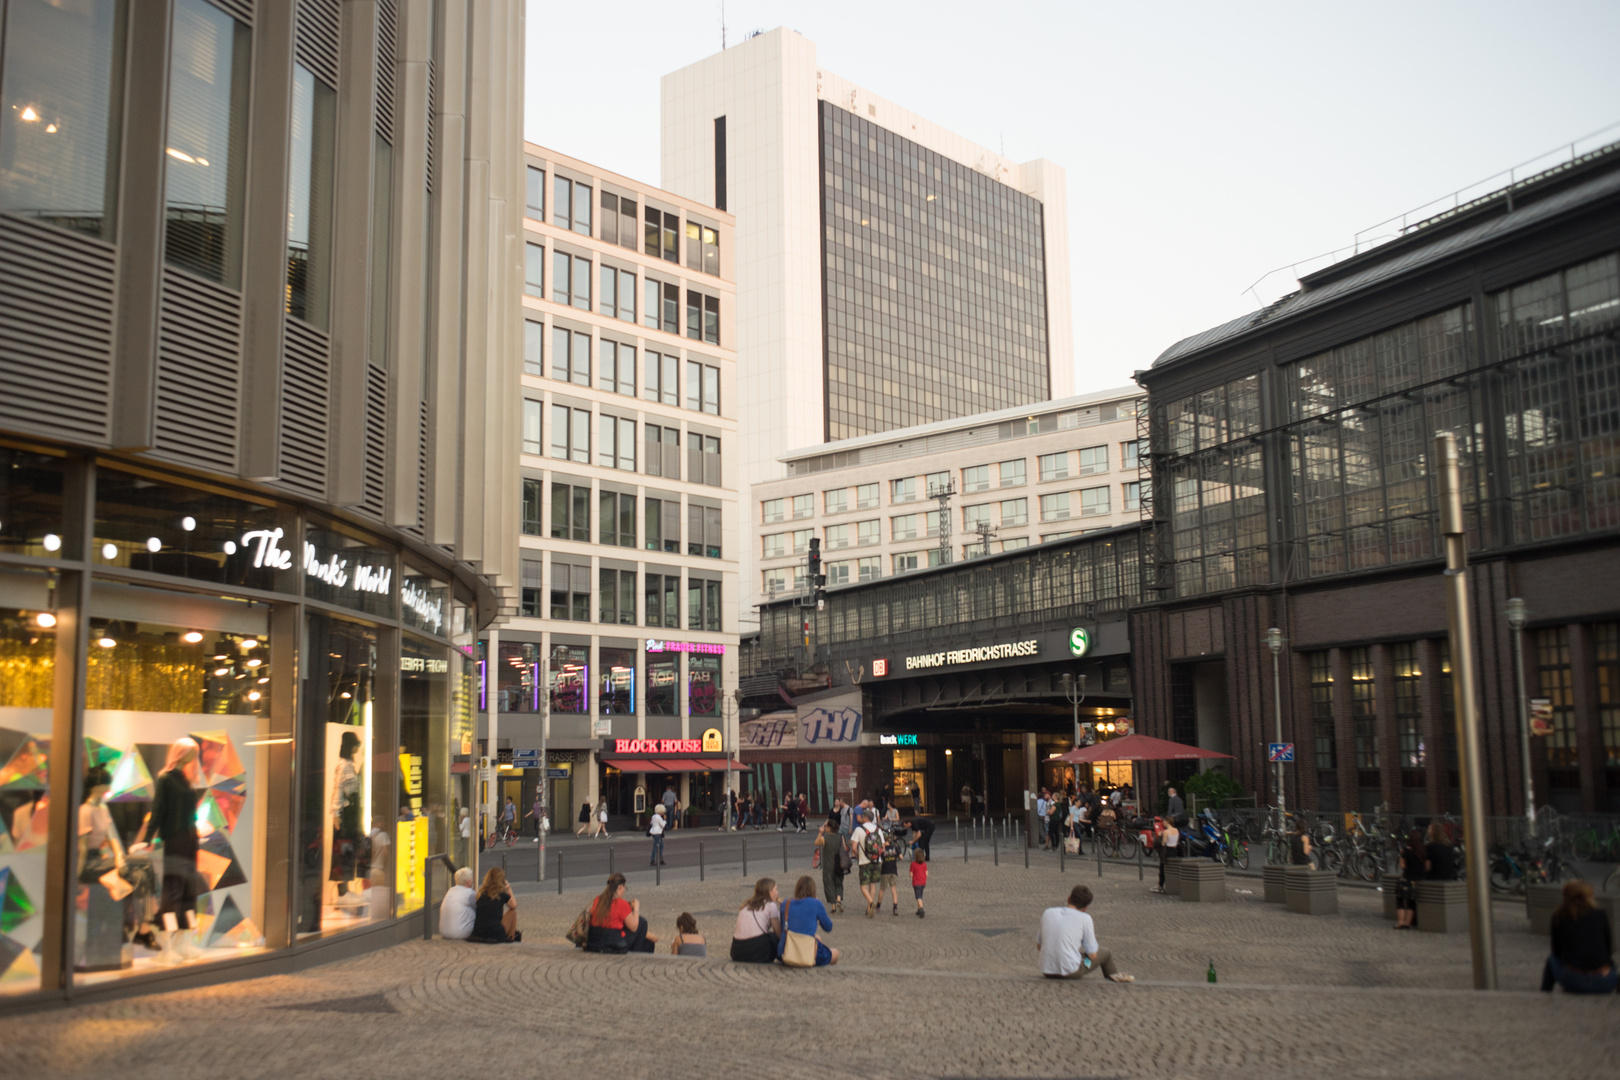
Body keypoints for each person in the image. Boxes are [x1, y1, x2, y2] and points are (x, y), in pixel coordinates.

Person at [132, 737, 202, 963]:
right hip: (175, 838)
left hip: (191, 838)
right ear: (180, 753)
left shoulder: (186, 779)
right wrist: (148, 838)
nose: (194, 756)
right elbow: (158, 810)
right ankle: (167, 946)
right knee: (173, 890)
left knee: (188, 890)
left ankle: (185, 942)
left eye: (195, 752)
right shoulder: (166, 779)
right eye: (191, 752)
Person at [1037, 884, 1133, 982]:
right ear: (1085, 907)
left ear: (1068, 899)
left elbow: (1039, 946)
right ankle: (1113, 980)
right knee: (1105, 953)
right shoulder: (1085, 918)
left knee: (1076, 955)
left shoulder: (1048, 912)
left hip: (1047, 970)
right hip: (1071, 971)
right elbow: (1092, 955)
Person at [1542, 880, 1617, 994]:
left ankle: (1545, 993)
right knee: (1611, 965)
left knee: (1552, 959)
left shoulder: (1560, 916)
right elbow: (1608, 949)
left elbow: (1557, 950)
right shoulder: (1600, 915)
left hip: (1574, 981)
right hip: (1604, 981)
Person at [585, 872, 657, 953]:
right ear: (620, 887)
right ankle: (636, 953)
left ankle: (638, 951)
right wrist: (636, 908)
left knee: (648, 944)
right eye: (624, 888)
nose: (624, 891)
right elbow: (633, 927)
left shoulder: (598, 900)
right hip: (613, 942)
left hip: (594, 940)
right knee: (642, 922)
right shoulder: (621, 903)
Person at [778, 876, 839, 967]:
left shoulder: (785, 904)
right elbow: (828, 927)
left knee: (817, 937)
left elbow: (783, 927)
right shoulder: (815, 903)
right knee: (835, 953)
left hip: (785, 951)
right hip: (806, 952)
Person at [730, 877, 781, 963]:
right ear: (770, 892)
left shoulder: (746, 905)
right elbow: (778, 932)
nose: (777, 892)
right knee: (773, 938)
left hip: (737, 950)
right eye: (775, 889)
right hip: (756, 950)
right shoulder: (770, 905)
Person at [851, 808, 886, 918]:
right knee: (873, 884)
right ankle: (868, 908)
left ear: (865, 818)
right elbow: (883, 848)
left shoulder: (859, 829)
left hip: (864, 861)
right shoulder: (878, 829)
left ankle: (871, 902)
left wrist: (857, 855)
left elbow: (853, 847)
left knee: (863, 886)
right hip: (877, 860)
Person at [470, 867, 520, 942]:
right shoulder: (502, 894)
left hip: (479, 931)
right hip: (495, 931)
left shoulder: (481, 894)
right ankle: (511, 937)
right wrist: (509, 889)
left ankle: (510, 937)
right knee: (512, 912)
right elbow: (513, 905)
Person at [1395, 828, 1426, 929]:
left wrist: (1401, 855)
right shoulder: (1422, 850)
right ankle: (1408, 923)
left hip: (1407, 878)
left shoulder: (1406, 851)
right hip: (1417, 879)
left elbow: (1402, 865)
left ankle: (1401, 922)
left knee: (1400, 900)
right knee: (1411, 902)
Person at [439, 867, 477, 940]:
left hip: (444, 932)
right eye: (472, 879)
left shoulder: (450, 891)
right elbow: (478, 907)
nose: (472, 881)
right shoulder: (469, 893)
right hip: (461, 933)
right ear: (468, 882)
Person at [816, 822, 845, 914]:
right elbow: (844, 848)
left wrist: (820, 832)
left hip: (828, 864)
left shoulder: (825, 838)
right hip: (839, 863)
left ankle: (833, 905)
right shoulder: (840, 837)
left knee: (829, 883)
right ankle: (839, 900)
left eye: (826, 826)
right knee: (838, 882)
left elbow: (816, 843)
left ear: (829, 828)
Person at [1154, 817, 1180, 893]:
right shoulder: (1176, 830)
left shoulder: (1166, 832)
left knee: (1162, 869)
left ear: (1167, 822)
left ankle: (1160, 885)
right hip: (1174, 850)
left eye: (1164, 821)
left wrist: (1159, 835)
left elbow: (1163, 843)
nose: (1163, 823)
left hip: (1167, 851)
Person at [879, 833, 901, 916]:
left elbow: (879, 858)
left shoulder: (882, 849)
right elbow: (901, 857)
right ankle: (895, 907)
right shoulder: (895, 847)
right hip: (893, 870)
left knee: (882, 889)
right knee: (893, 889)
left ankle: (878, 905)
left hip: (885, 871)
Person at [910, 846, 928, 918]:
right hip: (923, 882)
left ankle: (921, 909)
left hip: (916, 882)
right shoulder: (924, 864)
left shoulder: (913, 864)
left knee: (918, 896)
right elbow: (926, 873)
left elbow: (911, 874)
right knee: (920, 894)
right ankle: (918, 908)